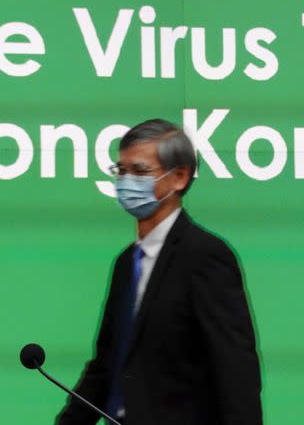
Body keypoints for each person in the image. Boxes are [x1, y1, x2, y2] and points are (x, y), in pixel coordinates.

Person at [56, 119, 262, 425]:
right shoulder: (127, 263)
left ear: (179, 177)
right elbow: (107, 364)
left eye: (140, 171)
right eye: (121, 171)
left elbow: (235, 369)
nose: (126, 181)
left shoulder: (205, 255)